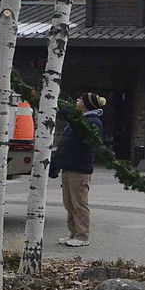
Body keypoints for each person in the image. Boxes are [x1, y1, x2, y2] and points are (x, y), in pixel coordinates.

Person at [49, 92, 106, 247]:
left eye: (80, 99)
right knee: (69, 203)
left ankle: (82, 236)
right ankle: (73, 233)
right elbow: (66, 145)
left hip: (80, 169)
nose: (77, 100)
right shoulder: (80, 120)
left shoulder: (93, 122)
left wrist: (73, 120)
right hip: (69, 167)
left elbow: (84, 138)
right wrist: (56, 161)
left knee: (79, 203)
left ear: (87, 104)